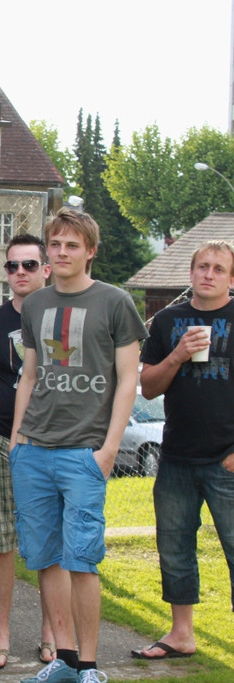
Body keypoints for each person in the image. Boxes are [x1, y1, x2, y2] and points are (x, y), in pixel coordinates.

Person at [10, 208, 146, 683]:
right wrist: (17, 441)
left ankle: (90, 666)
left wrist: (108, 450)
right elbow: (29, 375)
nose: (62, 252)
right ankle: (63, 661)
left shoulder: (115, 302)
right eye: (56, 243)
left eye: (72, 245)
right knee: (44, 559)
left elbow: (128, 381)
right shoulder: (34, 304)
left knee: (82, 560)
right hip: (33, 450)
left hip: (84, 452)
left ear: (90, 251)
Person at [132, 240, 234, 661]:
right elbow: (148, 387)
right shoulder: (167, 321)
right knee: (174, 549)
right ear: (190, 273)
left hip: (227, 458)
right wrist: (177, 354)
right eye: (202, 267)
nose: (209, 274)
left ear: (231, 278)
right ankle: (181, 634)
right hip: (175, 455)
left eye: (219, 269)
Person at [0, 233, 55, 670]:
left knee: (49, 542)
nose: (20, 272)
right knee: (0, 541)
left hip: (53, 444)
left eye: (29, 265)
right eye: (12, 266)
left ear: (46, 269)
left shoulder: (62, 318)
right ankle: (0, 635)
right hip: (2, 442)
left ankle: (52, 634)